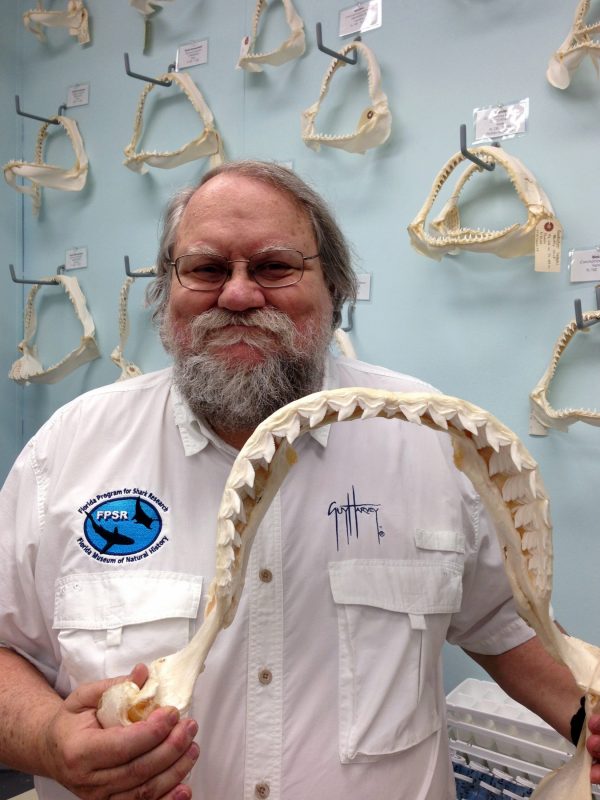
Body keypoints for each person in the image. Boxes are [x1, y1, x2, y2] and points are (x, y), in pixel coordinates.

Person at [0, 159, 598, 800]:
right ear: (166, 291)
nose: (236, 295)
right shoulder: (68, 452)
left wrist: (587, 718)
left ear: (334, 290)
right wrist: (48, 741)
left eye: (274, 267)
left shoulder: (431, 441)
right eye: (205, 269)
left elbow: (502, 627)